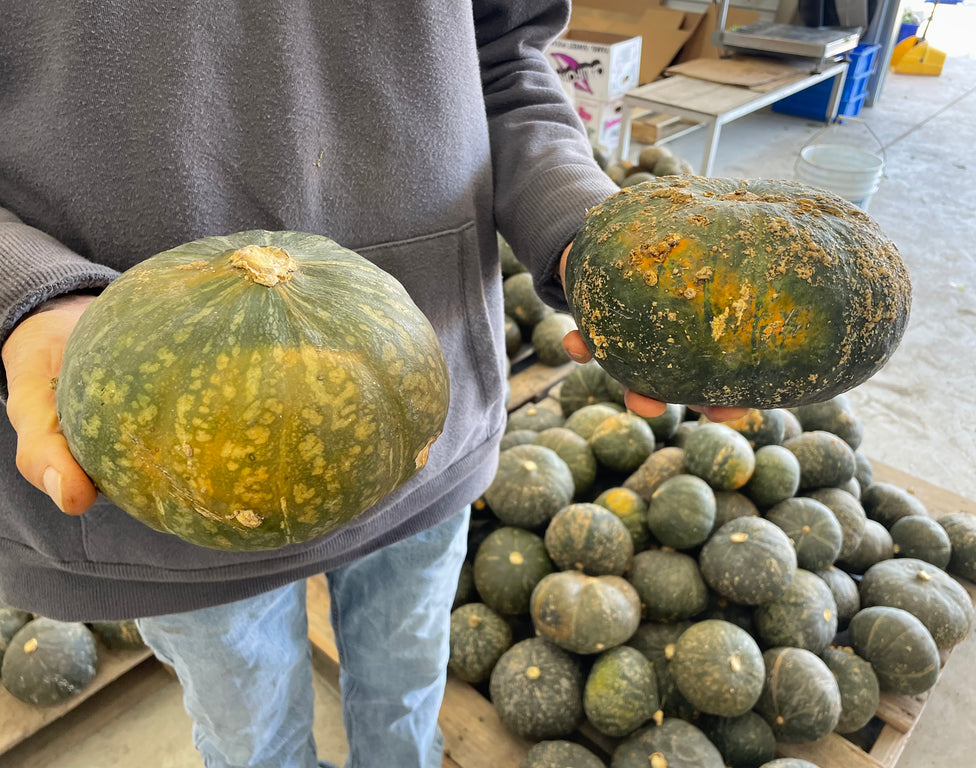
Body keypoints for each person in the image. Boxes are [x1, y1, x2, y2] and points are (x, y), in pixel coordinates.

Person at [0, 3, 743, 767]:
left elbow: (503, 56)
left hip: (421, 420)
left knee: (406, 702)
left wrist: (590, 239)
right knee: (255, 745)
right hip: (162, 470)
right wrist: (24, 287)